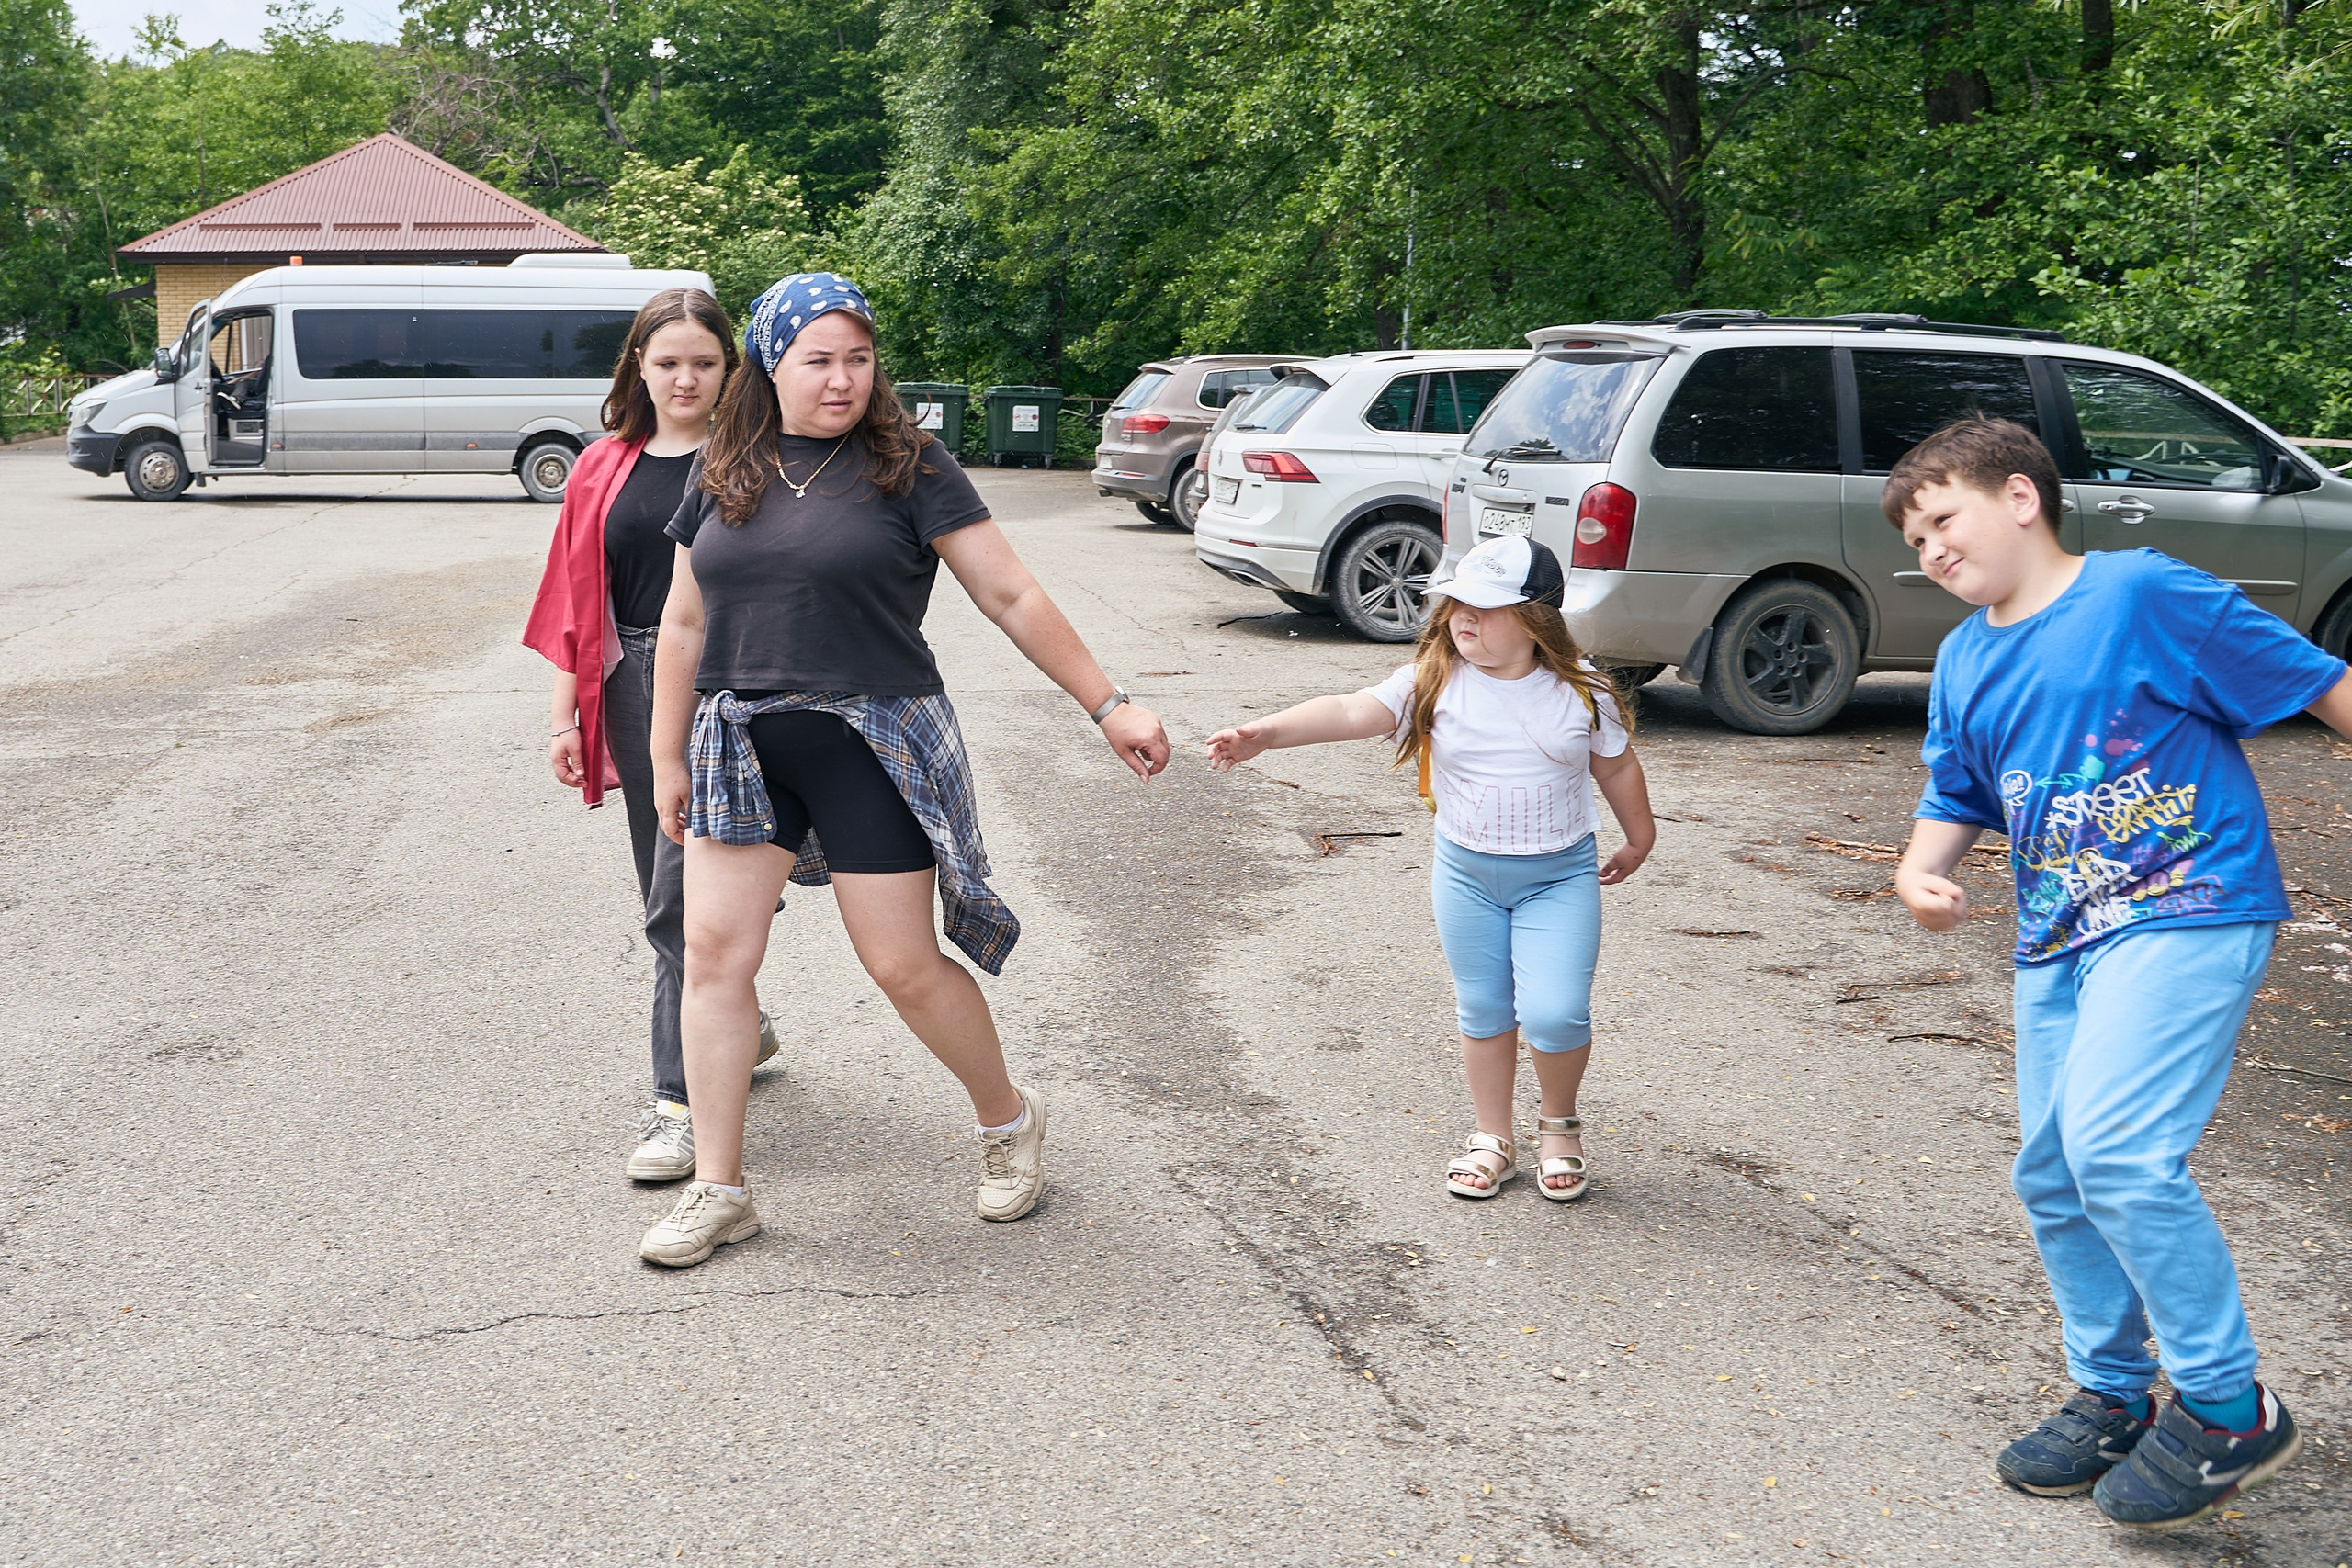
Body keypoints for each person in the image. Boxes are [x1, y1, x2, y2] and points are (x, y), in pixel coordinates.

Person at [638, 272, 1171, 1268]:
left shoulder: (907, 464)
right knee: (715, 959)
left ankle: (1008, 1122)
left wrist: (1108, 703)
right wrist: (667, 753)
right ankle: (721, 1188)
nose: (841, 381)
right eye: (818, 360)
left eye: (858, 358)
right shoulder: (724, 464)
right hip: (742, 744)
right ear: (770, 362)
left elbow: (1008, 594)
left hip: (869, 743)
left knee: (902, 966)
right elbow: (683, 619)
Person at [1886, 417, 2352, 1529]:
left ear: (2017, 496)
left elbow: (2318, 682)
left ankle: (2227, 1406)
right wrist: (1916, 873)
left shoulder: (2141, 594)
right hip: (2059, 937)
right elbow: (1956, 793)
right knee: (2052, 1175)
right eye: (1911, 540)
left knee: (2118, 1154)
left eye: (1941, 519)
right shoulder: (1963, 657)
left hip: (2187, 907)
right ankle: (2111, 1394)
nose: (1930, 550)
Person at [1205, 535, 1657, 1201]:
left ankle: (1559, 1125)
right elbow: (1352, 709)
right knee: (1483, 1007)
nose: (1462, 616)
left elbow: (1615, 764)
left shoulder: (1582, 689)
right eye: (1456, 602)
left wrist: (1639, 837)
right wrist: (1267, 733)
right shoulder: (1435, 679)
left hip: (1557, 876)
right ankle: (1492, 1136)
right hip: (1467, 874)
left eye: (1486, 606)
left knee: (1555, 1012)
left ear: (1537, 615)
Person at [523, 287, 778, 1184]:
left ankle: (678, 1103)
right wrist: (567, 712)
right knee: (664, 887)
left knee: (680, 901)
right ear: (638, 365)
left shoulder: (755, 459)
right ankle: (734, 1012)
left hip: (731, 688)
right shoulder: (602, 465)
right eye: (666, 361)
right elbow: (573, 598)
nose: (684, 378)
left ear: (730, 369)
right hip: (631, 685)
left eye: (704, 363)